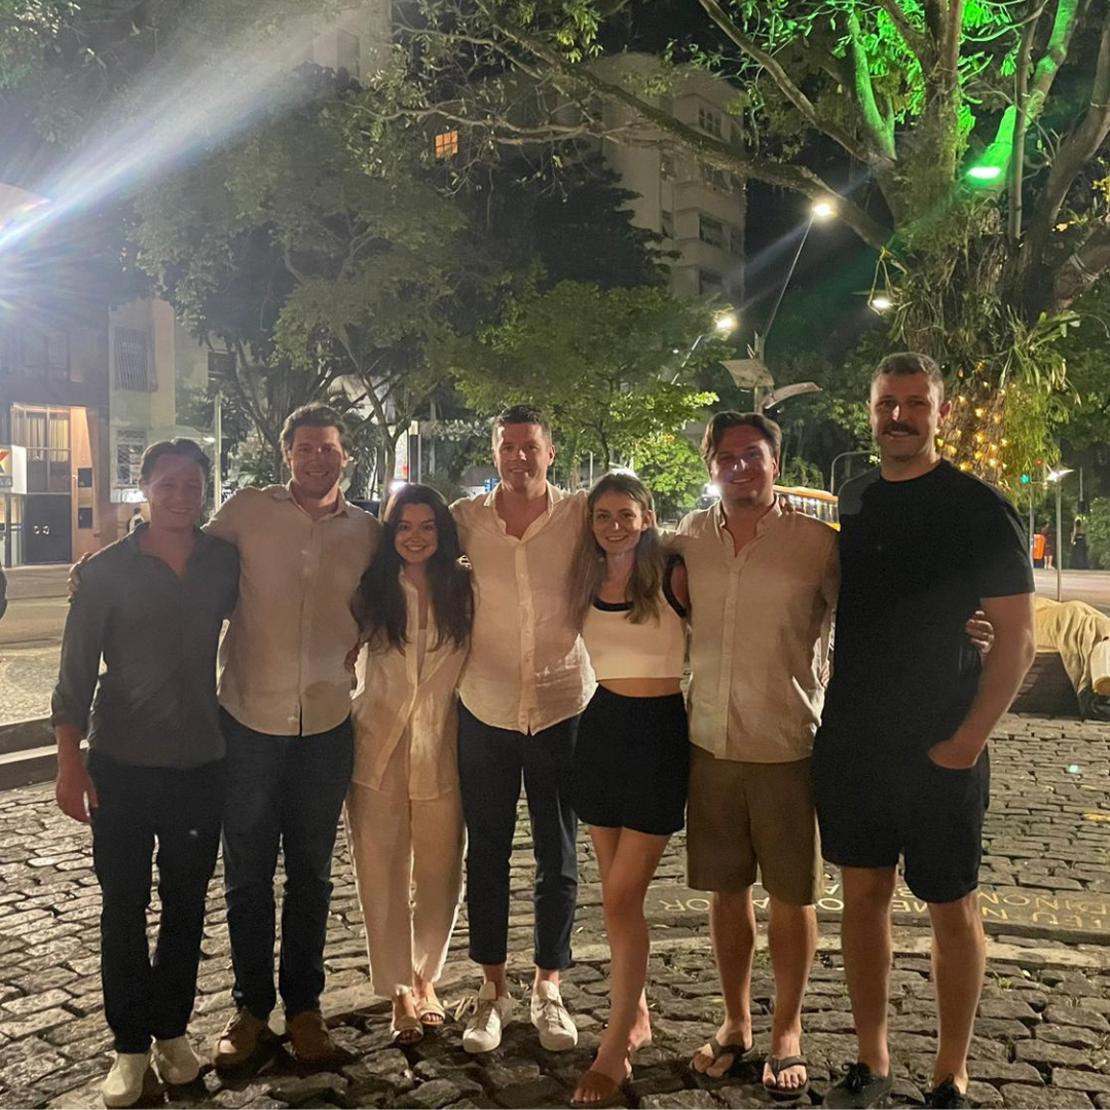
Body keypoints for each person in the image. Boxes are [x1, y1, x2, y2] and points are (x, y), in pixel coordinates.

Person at [814, 352, 1035, 1109]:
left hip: (942, 740)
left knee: (952, 905)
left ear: (940, 413)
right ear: (870, 412)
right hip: (854, 737)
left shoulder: (979, 506)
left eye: (915, 404)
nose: (899, 417)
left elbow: (1017, 641)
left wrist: (965, 742)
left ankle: (951, 1069)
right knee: (862, 897)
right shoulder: (856, 499)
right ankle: (871, 1057)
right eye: (886, 405)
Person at [51, 440, 239, 1109]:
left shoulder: (223, 562)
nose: (181, 496)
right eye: (168, 484)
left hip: (200, 764)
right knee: (123, 907)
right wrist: (69, 761)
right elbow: (74, 674)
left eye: (193, 484)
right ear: (145, 487)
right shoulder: (104, 573)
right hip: (123, 764)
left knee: (187, 906)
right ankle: (129, 1045)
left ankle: (172, 1030)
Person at [209, 403, 381, 1071]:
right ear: (287, 453)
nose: (316, 458)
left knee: (311, 874)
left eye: (328, 448)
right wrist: (101, 568)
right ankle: (251, 1008)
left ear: (346, 456)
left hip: (327, 724)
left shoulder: (366, 530)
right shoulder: (246, 512)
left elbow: (390, 600)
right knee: (247, 873)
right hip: (249, 717)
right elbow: (185, 565)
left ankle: (305, 1006)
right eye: (305, 447)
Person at [678, 412, 837, 1101]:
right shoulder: (686, 539)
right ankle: (738, 1020)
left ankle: (788, 1030)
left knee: (792, 895)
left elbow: (882, 618)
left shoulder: (819, 545)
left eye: (753, 455)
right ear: (710, 464)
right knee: (725, 889)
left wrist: (966, 627)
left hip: (787, 742)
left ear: (777, 461)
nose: (740, 467)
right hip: (708, 740)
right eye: (727, 456)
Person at [450, 404, 591, 1055]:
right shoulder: (466, 520)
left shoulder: (581, 516)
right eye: (507, 447)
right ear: (495, 453)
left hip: (564, 704)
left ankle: (549, 987)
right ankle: (492, 991)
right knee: (488, 853)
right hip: (486, 706)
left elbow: (644, 547)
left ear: (550, 451)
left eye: (530, 446)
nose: (518, 458)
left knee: (558, 855)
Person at [566, 471, 690, 1107]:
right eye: (602, 515)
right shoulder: (586, 577)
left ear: (647, 515)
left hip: (660, 736)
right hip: (603, 728)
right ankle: (636, 1012)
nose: (613, 525)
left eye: (625, 514)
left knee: (620, 900)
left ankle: (615, 1046)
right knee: (617, 897)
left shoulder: (673, 572)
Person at [346, 484, 472, 1045]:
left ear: (442, 533)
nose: (415, 537)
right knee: (381, 872)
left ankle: (427, 978)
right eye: (404, 526)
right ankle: (398, 988)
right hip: (377, 748)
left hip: (443, 746)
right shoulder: (370, 590)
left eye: (427, 526)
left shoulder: (464, 590)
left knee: (442, 874)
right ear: (389, 532)